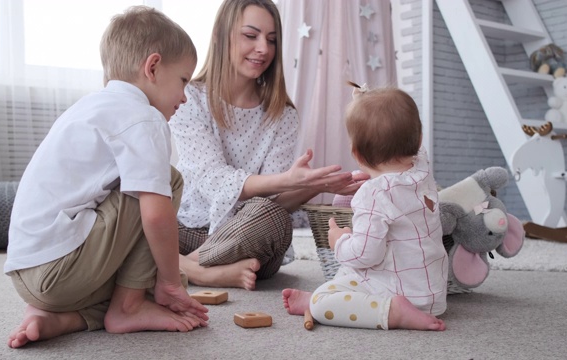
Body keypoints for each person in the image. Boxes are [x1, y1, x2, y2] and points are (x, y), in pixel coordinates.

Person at [5, 6, 208, 348]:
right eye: (183, 81)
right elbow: (156, 215)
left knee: (149, 277)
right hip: (61, 269)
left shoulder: (90, 107)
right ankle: (127, 308)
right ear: (153, 67)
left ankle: (61, 317)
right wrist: (170, 282)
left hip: (29, 276)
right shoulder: (144, 117)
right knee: (166, 183)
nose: (185, 97)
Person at [170, 0, 367, 291]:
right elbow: (211, 179)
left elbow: (273, 202)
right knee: (136, 214)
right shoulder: (189, 98)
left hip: (249, 237)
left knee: (271, 216)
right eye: (251, 36)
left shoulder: (282, 114)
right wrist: (287, 180)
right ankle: (201, 272)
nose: (263, 48)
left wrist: (315, 185)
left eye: (272, 40)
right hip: (188, 230)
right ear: (220, 35)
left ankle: (178, 266)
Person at [283, 86, 448, 331]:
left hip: (400, 294)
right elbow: (411, 144)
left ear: (356, 153)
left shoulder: (373, 194)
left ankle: (394, 313)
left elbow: (365, 255)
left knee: (322, 302)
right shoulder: (422, 170)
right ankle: (323, 295)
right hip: (432, 293)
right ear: (419, 139)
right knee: (347, 273)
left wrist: (339, 241)